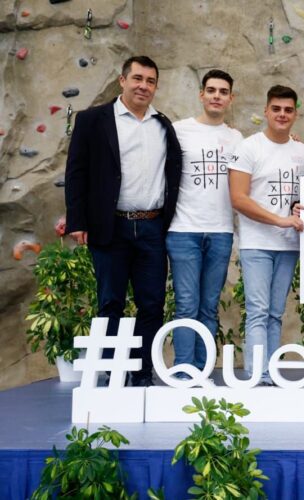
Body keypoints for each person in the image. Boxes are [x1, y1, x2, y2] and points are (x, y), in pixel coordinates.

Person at [64, 56, 182, 387]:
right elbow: (76, 173)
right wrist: (77, 220)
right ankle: (113, 372)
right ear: (122, 80)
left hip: (151, 228)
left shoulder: (163, 124)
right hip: (110, 226)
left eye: (150, 81)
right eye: (138, 78)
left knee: (152, 303)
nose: (144, 86)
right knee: (110, 302)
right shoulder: (92, 120)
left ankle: (142, 373)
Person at [228, 85, 304, 386]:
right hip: (257, 244)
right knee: (258, 312)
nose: (282, 114)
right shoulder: (249, 148)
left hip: (288, 245)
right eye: (276, 109)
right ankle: (256, 375)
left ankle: (271, 372)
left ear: (295, 113)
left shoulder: (302, 152)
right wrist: (279, 220)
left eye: (288, 110)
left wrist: (299, 212)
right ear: (266, 111)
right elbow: (238, 198)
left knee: (276, 313)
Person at [167, 70, 243, 380]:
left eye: (223, 91)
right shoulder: (178, 130)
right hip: (183, 230)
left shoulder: (236, 137)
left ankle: (202, 370)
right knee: (187, 303)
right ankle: (184, 372)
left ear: (230, 98)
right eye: (211, 90)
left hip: (221, 232)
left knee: (209, 305)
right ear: (201, 94)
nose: (216, 96)